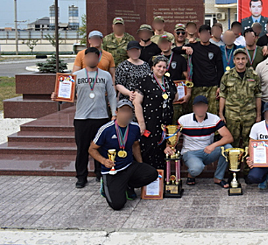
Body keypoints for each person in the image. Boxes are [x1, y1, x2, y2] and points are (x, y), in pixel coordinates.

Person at [52, 47, 117, 188]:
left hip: (101, 117)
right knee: (82, 149)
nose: (91, 60)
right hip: (82, 118)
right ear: (85, 59)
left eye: (95, 57)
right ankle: (81, 176)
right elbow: (66, 95)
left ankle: (100, 173)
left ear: (98, 59)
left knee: (101, 148)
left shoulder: (105, 75)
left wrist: (114, 114)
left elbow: (112, 95)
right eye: (89, 57)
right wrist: (58, 97)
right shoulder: (76, 75)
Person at [89, 99, 158, 210]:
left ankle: (128, 185)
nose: (126, 114)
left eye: (129, 111)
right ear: (117, 112)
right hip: (112, 170)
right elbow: (91, 149)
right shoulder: (106, 129)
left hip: (128, 165)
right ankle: (105, 184)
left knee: (152, 173)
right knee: (117, 205)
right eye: (123, 110)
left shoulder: (134, 128)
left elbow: (135, 145)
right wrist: (103, 161)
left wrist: (140, 164)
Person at [165, 95, 233, 187]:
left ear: (206, 107)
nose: (200, 109)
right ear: (193, 108)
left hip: (208, 151)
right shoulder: (184, 120)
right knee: (197, 168)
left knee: (228, 148)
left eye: (202, 106)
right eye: (198, 106)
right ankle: (191, 175)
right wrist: (169, 147)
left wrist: (213, 145)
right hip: (190, 152)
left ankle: (218, 178)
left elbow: (228, 137)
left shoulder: (214, 119)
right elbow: (174, 137)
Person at [133, 55, 177, 170]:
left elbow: (175, 97)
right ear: (153, 67)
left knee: (164, 150)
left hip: (166, 122)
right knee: (149, 149)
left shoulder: (169, 81)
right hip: (150, 122)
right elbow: (137, 103)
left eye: (164, 67)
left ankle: (161, 182)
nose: (162, 69)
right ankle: (149, 182)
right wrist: (141, 123)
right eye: (159, 66)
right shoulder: (144, 81)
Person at [173, 24, 224, 115]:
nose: (205, 36)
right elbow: (174, 50)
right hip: (196, 85)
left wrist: (219, 86)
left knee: (212, 112)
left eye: (207, 33)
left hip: (212, 85)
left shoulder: (215, 49)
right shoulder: (193, 46)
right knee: (195, 111)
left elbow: (220, 68)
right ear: (199, 34)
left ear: (210, 35)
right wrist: (185, 47)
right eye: (203, 33)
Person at [219, 48, 262, 149]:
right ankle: (233, 164)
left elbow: (258, 95)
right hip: (232, 115)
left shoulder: (254, 75)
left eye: (243, 59)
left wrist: (258, 115)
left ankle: (248, 164)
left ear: (247, 60)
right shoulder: (227, 76)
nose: (240, 61)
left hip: (249, 115)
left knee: (250, 143)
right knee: (233, 142)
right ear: (234, 60)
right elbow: (222, 95)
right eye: (238, 59)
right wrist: (221, 113)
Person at [155, 34, 191, 124]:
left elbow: (188, 77)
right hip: (159, 97)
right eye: (162, 43)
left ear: (171, 44)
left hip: (176, 97)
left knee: (175, 123)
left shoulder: (180, 59)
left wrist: (188, 93)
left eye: (166, 43)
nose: (164, 45)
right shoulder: (154, 59)